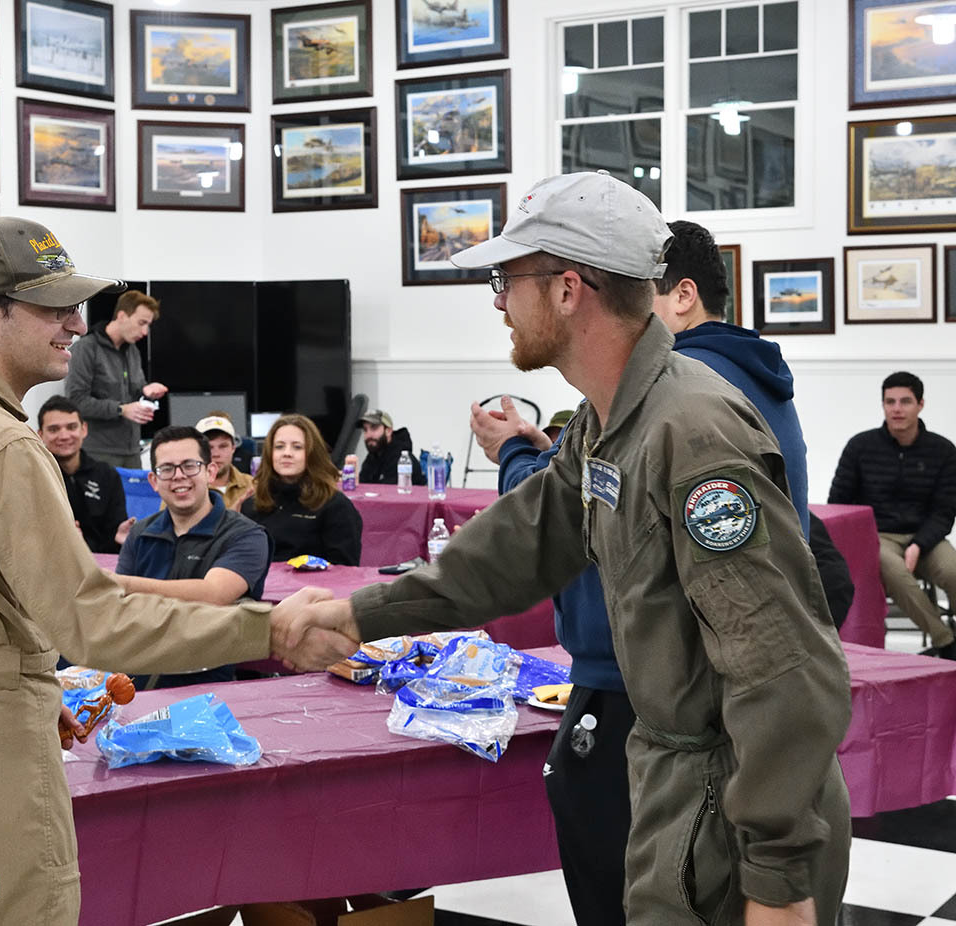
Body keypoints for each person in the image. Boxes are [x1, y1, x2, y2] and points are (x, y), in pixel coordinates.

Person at [281, 172, 852, 926]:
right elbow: (518, 544)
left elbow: (782, 665)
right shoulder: (608, 421)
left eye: (506, 279)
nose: (497, 301)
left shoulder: (694, 432)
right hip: (674, 784)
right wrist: (364, 615)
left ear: (567, 288)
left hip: (733, 803)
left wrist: (777, 878)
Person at [0, 215, 353, 926]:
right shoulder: (4, 446)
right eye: (53, 306)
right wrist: (275, 630)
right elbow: (95, 620)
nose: (76, 324)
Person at [468, 217, 851, 924]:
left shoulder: (691, 402)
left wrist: (778, 870)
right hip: (676, 712)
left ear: (678, 295)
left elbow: (771, 644)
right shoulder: (731, 380)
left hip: (656, 703)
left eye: (639, 289)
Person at [117, 426, 273, 688]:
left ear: (210, 472)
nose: (179, 477)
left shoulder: (246, 535)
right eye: (167, 469)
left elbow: (214, 594)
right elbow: (119, 608)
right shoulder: (141, 534)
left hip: (207, 680)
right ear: (154, 481)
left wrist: (127, 586)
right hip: (136, 676)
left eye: (190, 465)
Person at [829, 371, 956, 658]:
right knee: (893, 569)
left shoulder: (943, 450)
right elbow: (838, 502)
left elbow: (945, 511)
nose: (896, 409)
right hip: (876, 535)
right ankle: (947, 643)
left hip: (927, 537)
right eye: (890, 401)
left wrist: (919, 545)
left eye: (905, 401)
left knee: (952, 569)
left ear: (921, 404)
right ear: (883, 405)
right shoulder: (860, 446)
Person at [241, 413, 363, 566]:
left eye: (297, 447)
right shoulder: (251, 505)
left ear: (312, 453)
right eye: (279, 446)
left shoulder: (336, 507)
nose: (287, 453)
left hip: (316, 587)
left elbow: (345, 571)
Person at [65, 289, 168, 468]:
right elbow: (76, 401)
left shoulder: (133, 351)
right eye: (142, 323)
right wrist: (121, 410)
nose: (145, 332)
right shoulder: (86, 349)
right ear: (121, 316)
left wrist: (146, 390)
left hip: (132, 451)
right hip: (98, 454)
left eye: (148, 325)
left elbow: (134, 390)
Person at [36, 394, 132, 554]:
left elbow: (116, 535)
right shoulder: (35, 477)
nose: (64, 436)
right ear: (40, 435)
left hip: (104, 565)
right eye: (54, 429)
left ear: (84, 429)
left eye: (71, 427)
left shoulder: (107, 475)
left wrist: (122, 539)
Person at [197, 412, 255, 509]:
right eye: (209, 447)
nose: (216, 454)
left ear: (233, 448)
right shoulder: (185, 489)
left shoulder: (253, 486)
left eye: (223, 446)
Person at [357, 410, 427, 486]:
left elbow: (388, 494)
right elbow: (362, 486)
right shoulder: (373, 456)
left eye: (374, 428)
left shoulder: (400, 458)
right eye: (365, 430)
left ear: (388, 431)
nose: (368, 435)